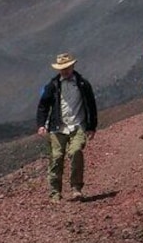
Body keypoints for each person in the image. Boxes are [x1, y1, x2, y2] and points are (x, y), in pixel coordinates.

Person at [36, 53, 98, 202]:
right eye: (62, 68)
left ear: (72, 66)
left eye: (67, 68)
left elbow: (91, 105)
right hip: (58, 128)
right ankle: (55, 193)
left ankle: (76, 188)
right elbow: (43, 105)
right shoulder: (52, 85)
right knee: (56, 158)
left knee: (76, 151)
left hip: (78, 125)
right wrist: (41, 125)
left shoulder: (83, 84)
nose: (65, 71)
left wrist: (91, 126)